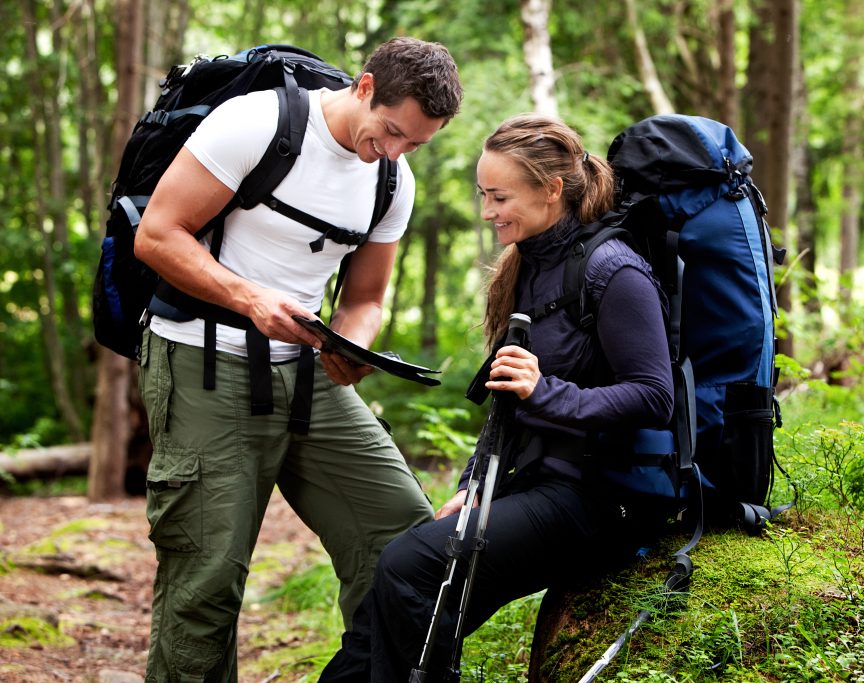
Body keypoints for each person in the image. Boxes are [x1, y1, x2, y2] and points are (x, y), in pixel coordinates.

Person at [133, 37, 463, 681]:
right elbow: (157, 235)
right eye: (392, 132)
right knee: (206, 576)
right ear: (364, 88)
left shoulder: (393, 179)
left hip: (307, 373)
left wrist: (353, 342)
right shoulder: (256, 123)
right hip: (202, 359)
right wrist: (249, 297)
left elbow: (366, 297)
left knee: (403, 538)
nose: (394, 151)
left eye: (416, 144)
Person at [318, 113, 675, 681]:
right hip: (536, 483)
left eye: (499, 196)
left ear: (552, 189)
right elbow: (507, 407)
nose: (487, 212)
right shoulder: (529, 265)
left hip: (603, 500)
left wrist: (548, 391)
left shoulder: (613, 269)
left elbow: (656, 397)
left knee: (409, 566)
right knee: (402, 603)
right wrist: (471, 486)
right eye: (483, 194)